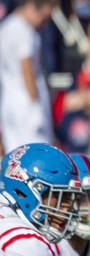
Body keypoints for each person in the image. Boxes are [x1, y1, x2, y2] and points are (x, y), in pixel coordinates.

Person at [0, 0, 55, 152]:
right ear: (32, 7)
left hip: (9, 103)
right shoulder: (24, 31)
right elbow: (27, 70)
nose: (43, 23)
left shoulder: (6, 27)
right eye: (43, 17)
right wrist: (35, 107)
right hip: (26, 105)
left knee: (15, 154)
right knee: (38, 153)